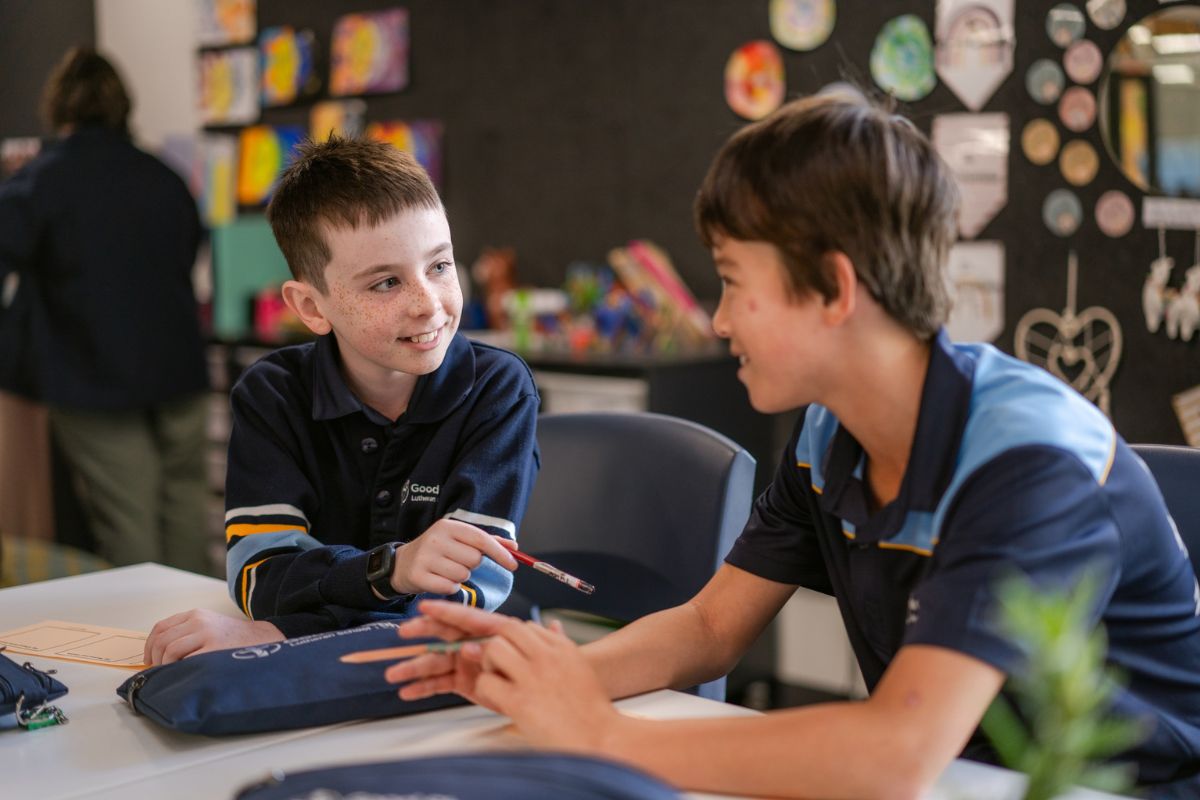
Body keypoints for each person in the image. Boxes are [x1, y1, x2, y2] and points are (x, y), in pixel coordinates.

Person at [384, 89, 1200, 799]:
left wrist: (602, 736)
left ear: (835, 289)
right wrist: (542, 678)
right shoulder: (829, 431)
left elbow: (894, 754)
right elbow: (711, 627)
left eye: (733, 281)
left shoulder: (1024, 463)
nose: (718, 320)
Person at [144, 136, 540, 665]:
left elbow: (463, 601)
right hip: (321, 670)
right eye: (386, 283)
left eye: (439, 266)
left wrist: (286, 631)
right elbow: (261, 580)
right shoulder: (271, 395)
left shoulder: (498, 389)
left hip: (458, 668)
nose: (428, 305)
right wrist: (395, 570)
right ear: (311, 307)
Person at [0, 47, 211, 573]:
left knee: (129, 518)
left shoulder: (40, 181)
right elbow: (190, 252)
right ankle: (197, 618)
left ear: (57, 105)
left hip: (93, 375)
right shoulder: (164, 176)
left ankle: (148, 627)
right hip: (179, 368)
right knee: (187, 507)